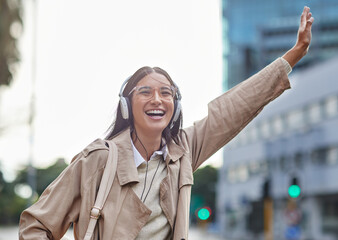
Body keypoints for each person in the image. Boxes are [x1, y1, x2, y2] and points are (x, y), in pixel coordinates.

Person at [19, 6, 314, 240]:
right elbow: (35, 225)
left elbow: (235, 108)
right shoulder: (97, 160)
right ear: (126, 105)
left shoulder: (183, 151)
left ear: (176, 105)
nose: (157, 100)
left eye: (166, 93)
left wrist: (295, 53)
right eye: (145, 92)